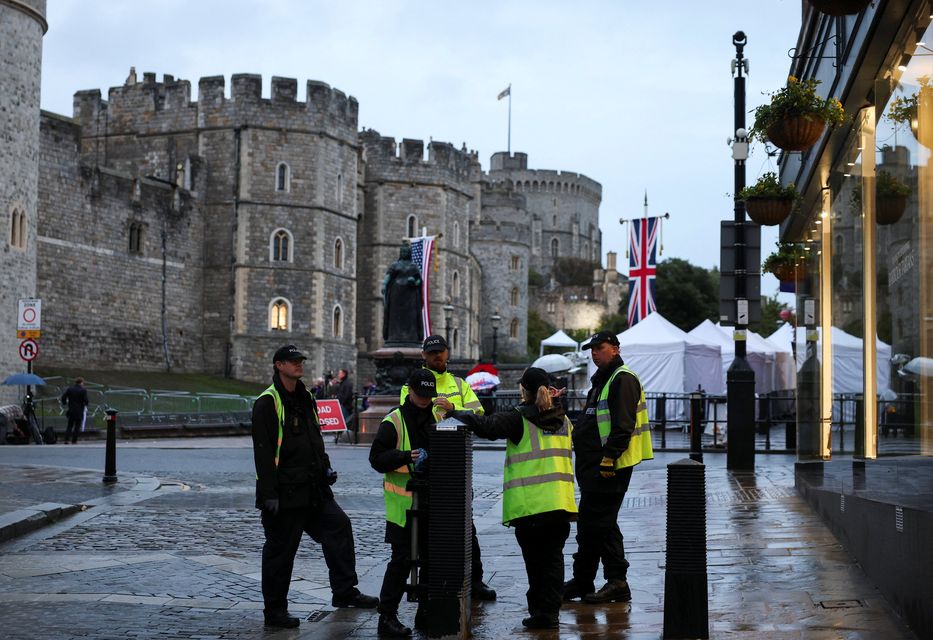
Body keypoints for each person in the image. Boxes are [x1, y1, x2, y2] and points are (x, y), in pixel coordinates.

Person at [251, 344, 378, 629]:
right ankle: (275, 611)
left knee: (339, 527)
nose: (300, 365)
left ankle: (345, 591)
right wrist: (269, 494)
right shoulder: (268, 402)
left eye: (301, 361)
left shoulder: (306, 396)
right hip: (285, 493)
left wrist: (326, 466)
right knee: (280, 552)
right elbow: (263, 451)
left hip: (313, 488)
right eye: (294, 361)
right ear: (279, 365)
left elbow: (314, 438)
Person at [452, 367, 577, 630]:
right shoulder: (564, 420)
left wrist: (454, 412)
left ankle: (540, 613)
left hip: (530, 506)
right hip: (560, 504)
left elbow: (485, 426)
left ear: (524, 391)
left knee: (536, 564)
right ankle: (549, 614)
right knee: (553, 562)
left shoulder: (519, 418)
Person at [399, 334, 496, 601]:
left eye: (440, 352)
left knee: (466, 524)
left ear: (447, 353)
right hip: (426, 462)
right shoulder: (413, 384)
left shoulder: (459, 383)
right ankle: (430, 584)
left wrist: (453, 408)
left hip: (456, 461)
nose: (437, 357)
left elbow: (479, 416)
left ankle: (475, 579)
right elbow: (407, 413)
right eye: (432, 353)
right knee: (429, 526)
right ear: (424, 356)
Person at [562, 330, 653, 605]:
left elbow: (623, 425)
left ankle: (601, 581)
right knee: (603, 524)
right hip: (595, 467)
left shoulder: (622, 379)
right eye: (591, 349)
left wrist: (609, 458)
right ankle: (607, 581)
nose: (594, 353)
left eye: (599, 348)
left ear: (615, 348)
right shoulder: (602, 379)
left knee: (593, 524)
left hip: (609, 467)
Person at [369, 369, 438, 637]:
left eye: (428, 395)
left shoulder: (438, 415)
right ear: (410, 391)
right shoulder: (394, 421)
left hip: (432, 502)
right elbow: (376, 459)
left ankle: (424, 611)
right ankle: (387, 617)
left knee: (432, 559)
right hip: (403, 506)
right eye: (420, 394)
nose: (424, 400)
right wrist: (406, 456)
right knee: (401, 561)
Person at [382, 244, 423, 345]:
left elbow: (419, 280)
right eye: (402, 252)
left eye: (406, 252)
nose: (404, 253)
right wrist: (384, 285)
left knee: (411, 317)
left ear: (409, 253)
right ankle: (394, 336)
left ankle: (411, 337)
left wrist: (414, 282)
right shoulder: (395, 265)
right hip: (397, 294)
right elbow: (388, 276)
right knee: (395, 316)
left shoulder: (413, 266)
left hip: (410, 295)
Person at [60, 377, 89, 444]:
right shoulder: (83, 390)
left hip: (71, 409)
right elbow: (86, 400)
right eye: (83, 383)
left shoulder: (70, 389)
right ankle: (74, 440)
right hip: (79, 410)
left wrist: (64, 403)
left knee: (70, 425)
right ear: (81, 382)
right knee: (77, 426)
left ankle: (66, 439)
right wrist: (85, 404)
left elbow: (63, 397)